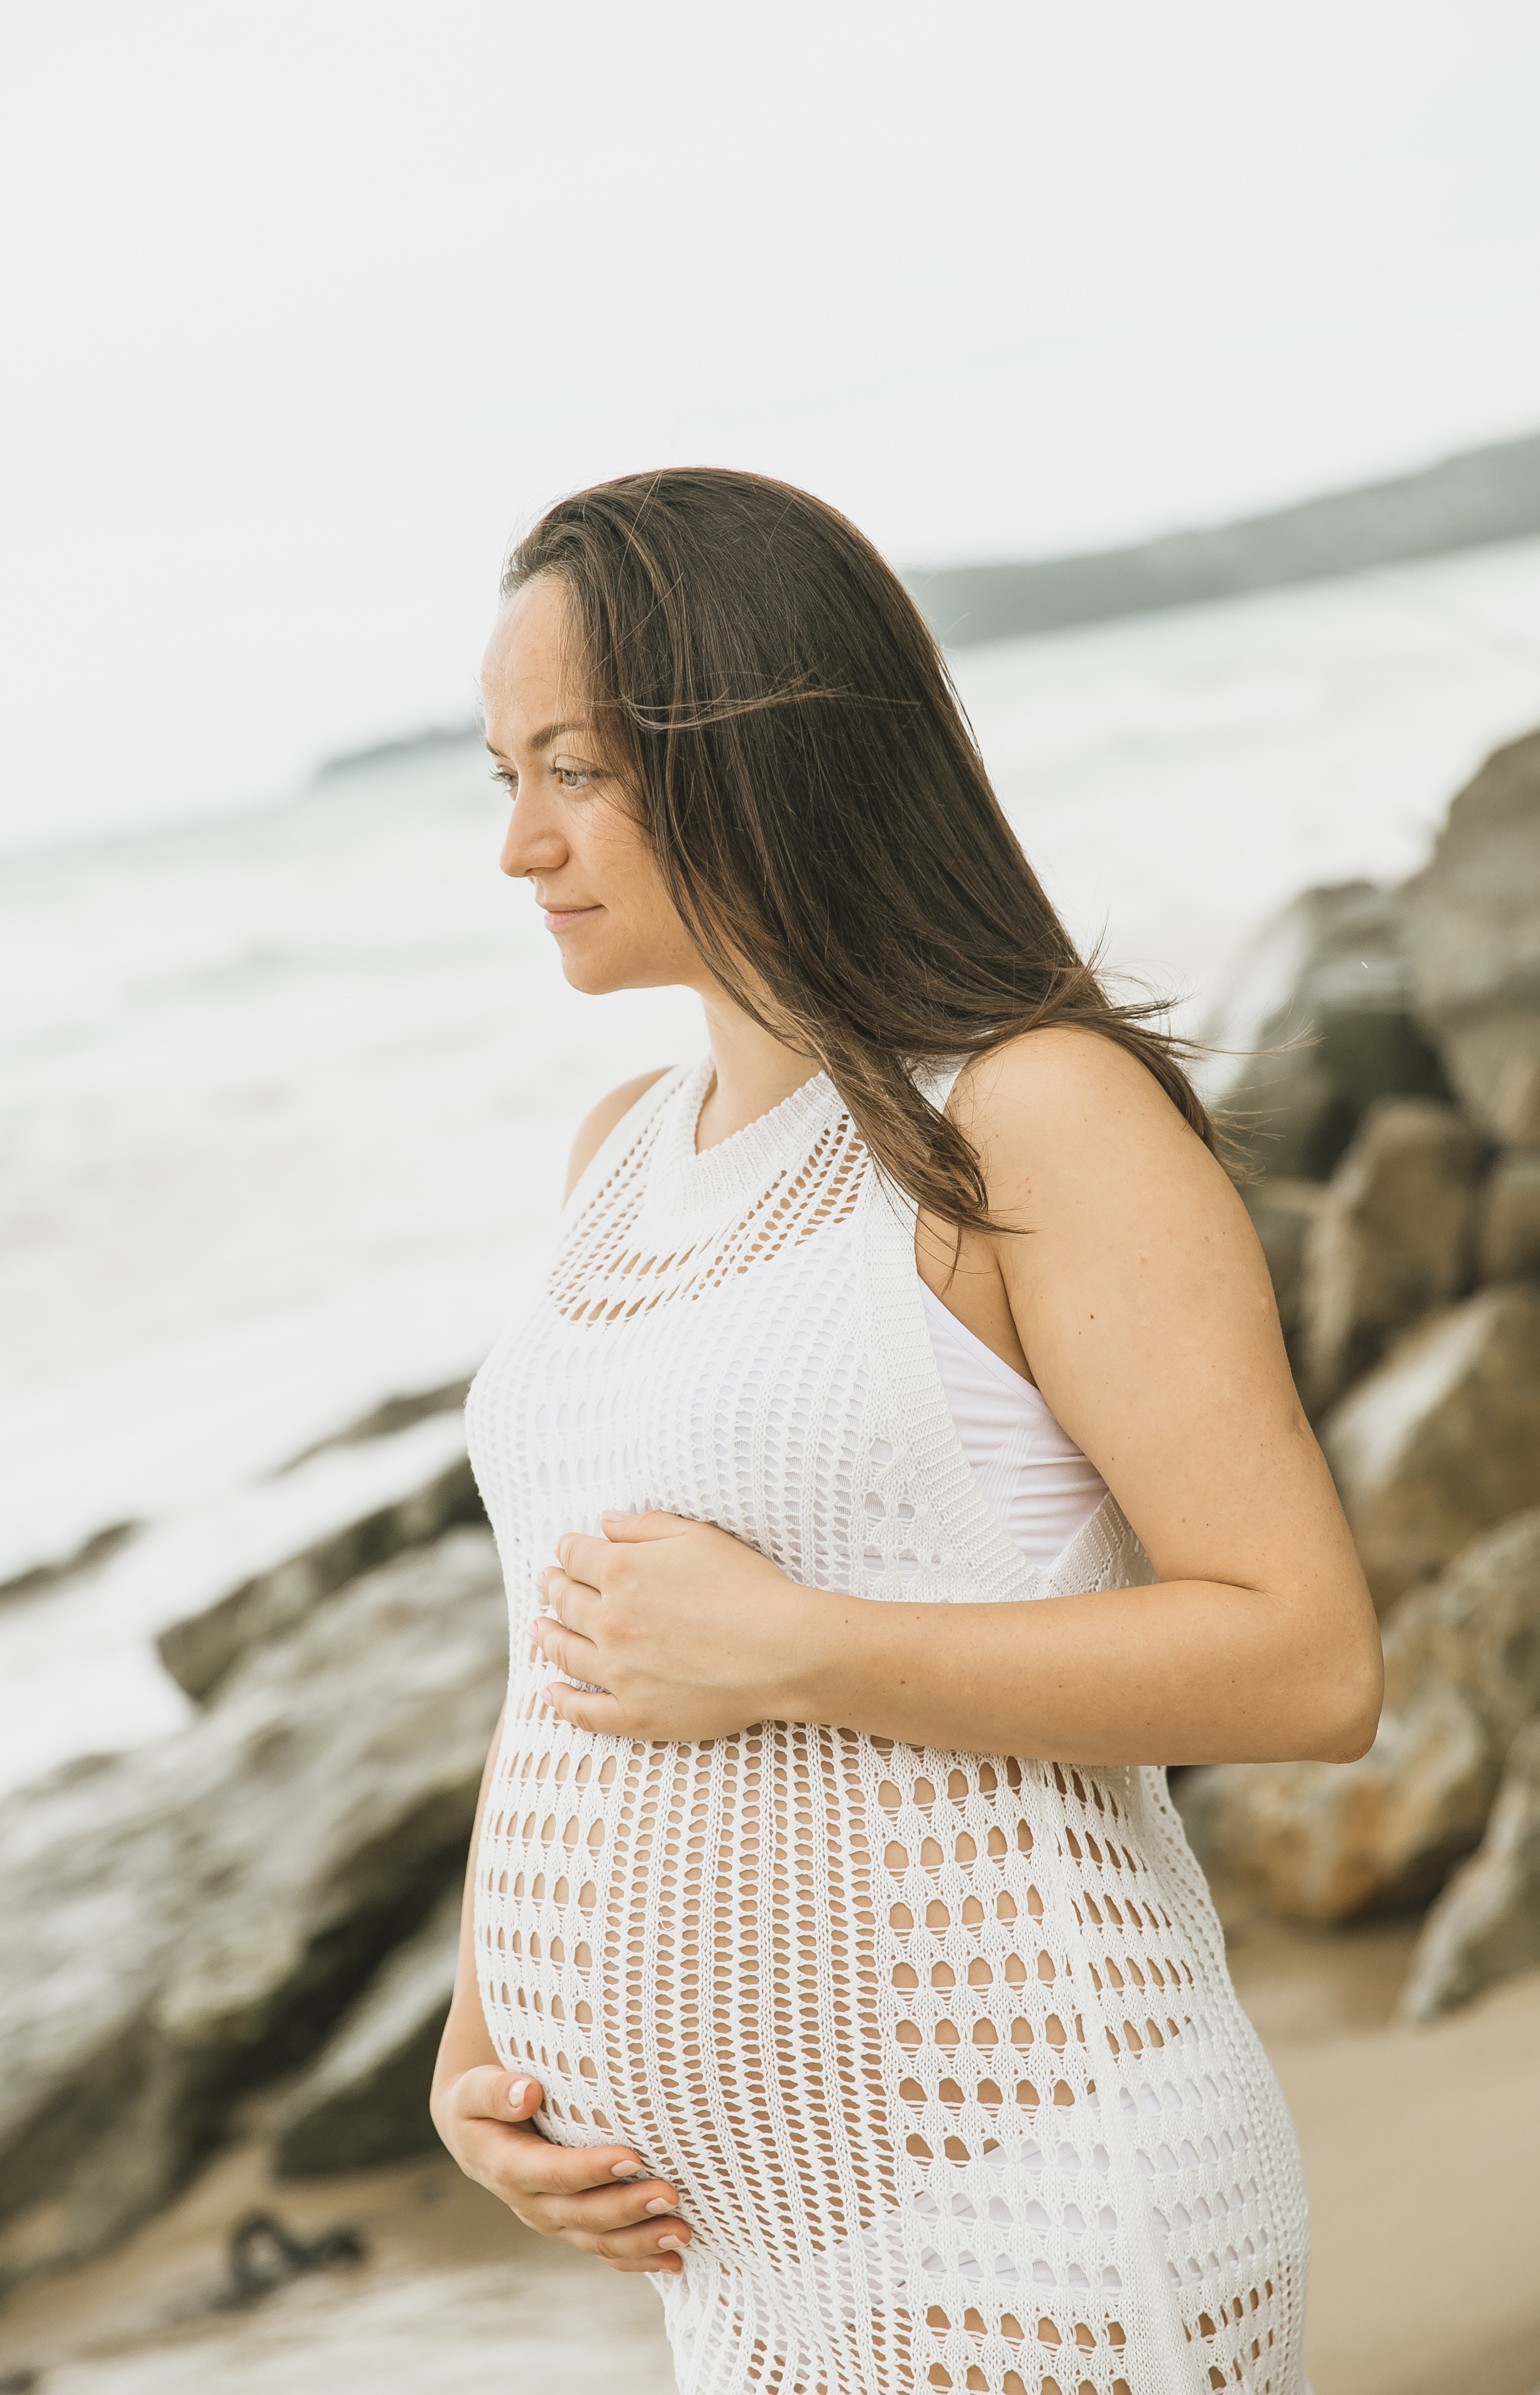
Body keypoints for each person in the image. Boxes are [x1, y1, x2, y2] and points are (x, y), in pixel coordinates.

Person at [431, 467, 1382, 2395]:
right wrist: (479, 2052)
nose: (520, 843)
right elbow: (568, 1645)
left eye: (576, 772)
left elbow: (1305, 1658)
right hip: (733, 2267)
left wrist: (804, 1648)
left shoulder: (1027, 1112)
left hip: (1034, 2213)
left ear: (755, 750)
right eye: (505, 775)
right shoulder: (616, 1157)